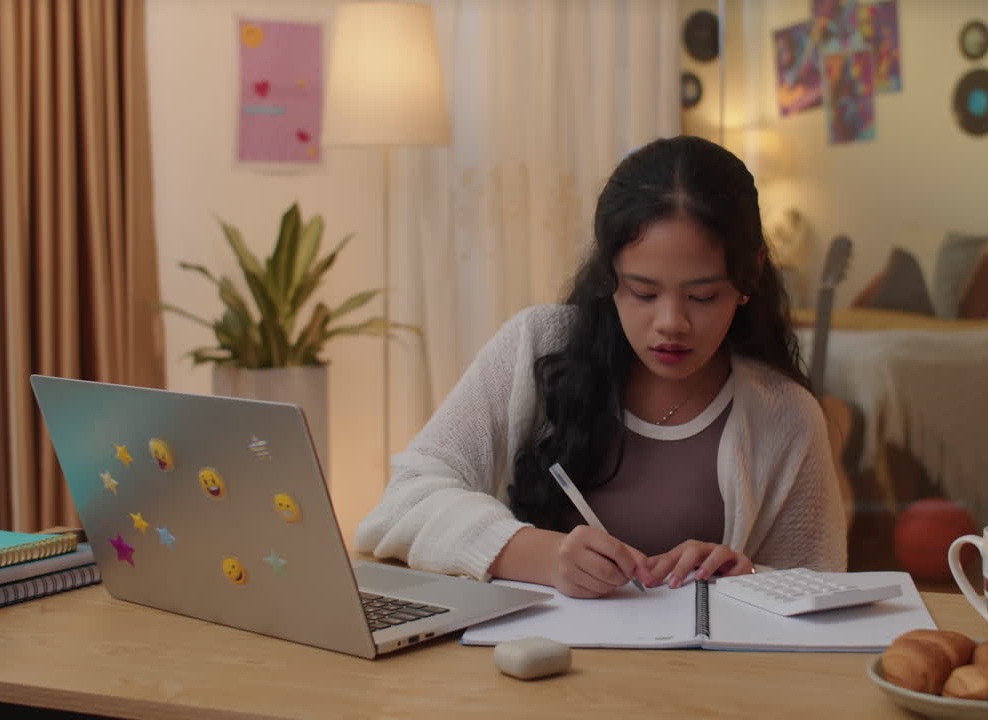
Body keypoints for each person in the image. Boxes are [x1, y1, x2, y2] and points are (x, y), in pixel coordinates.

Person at [355, 135, 846, 599]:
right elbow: (406, 502)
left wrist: (750, 579)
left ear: (750, 275)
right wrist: (538, 555)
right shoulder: (536, 347)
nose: (670, 323)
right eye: (643, 292)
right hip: (532, 673)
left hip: (703, 686)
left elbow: (821, 593)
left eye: (702, 296)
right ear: (608, 275)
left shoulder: (786, 417)